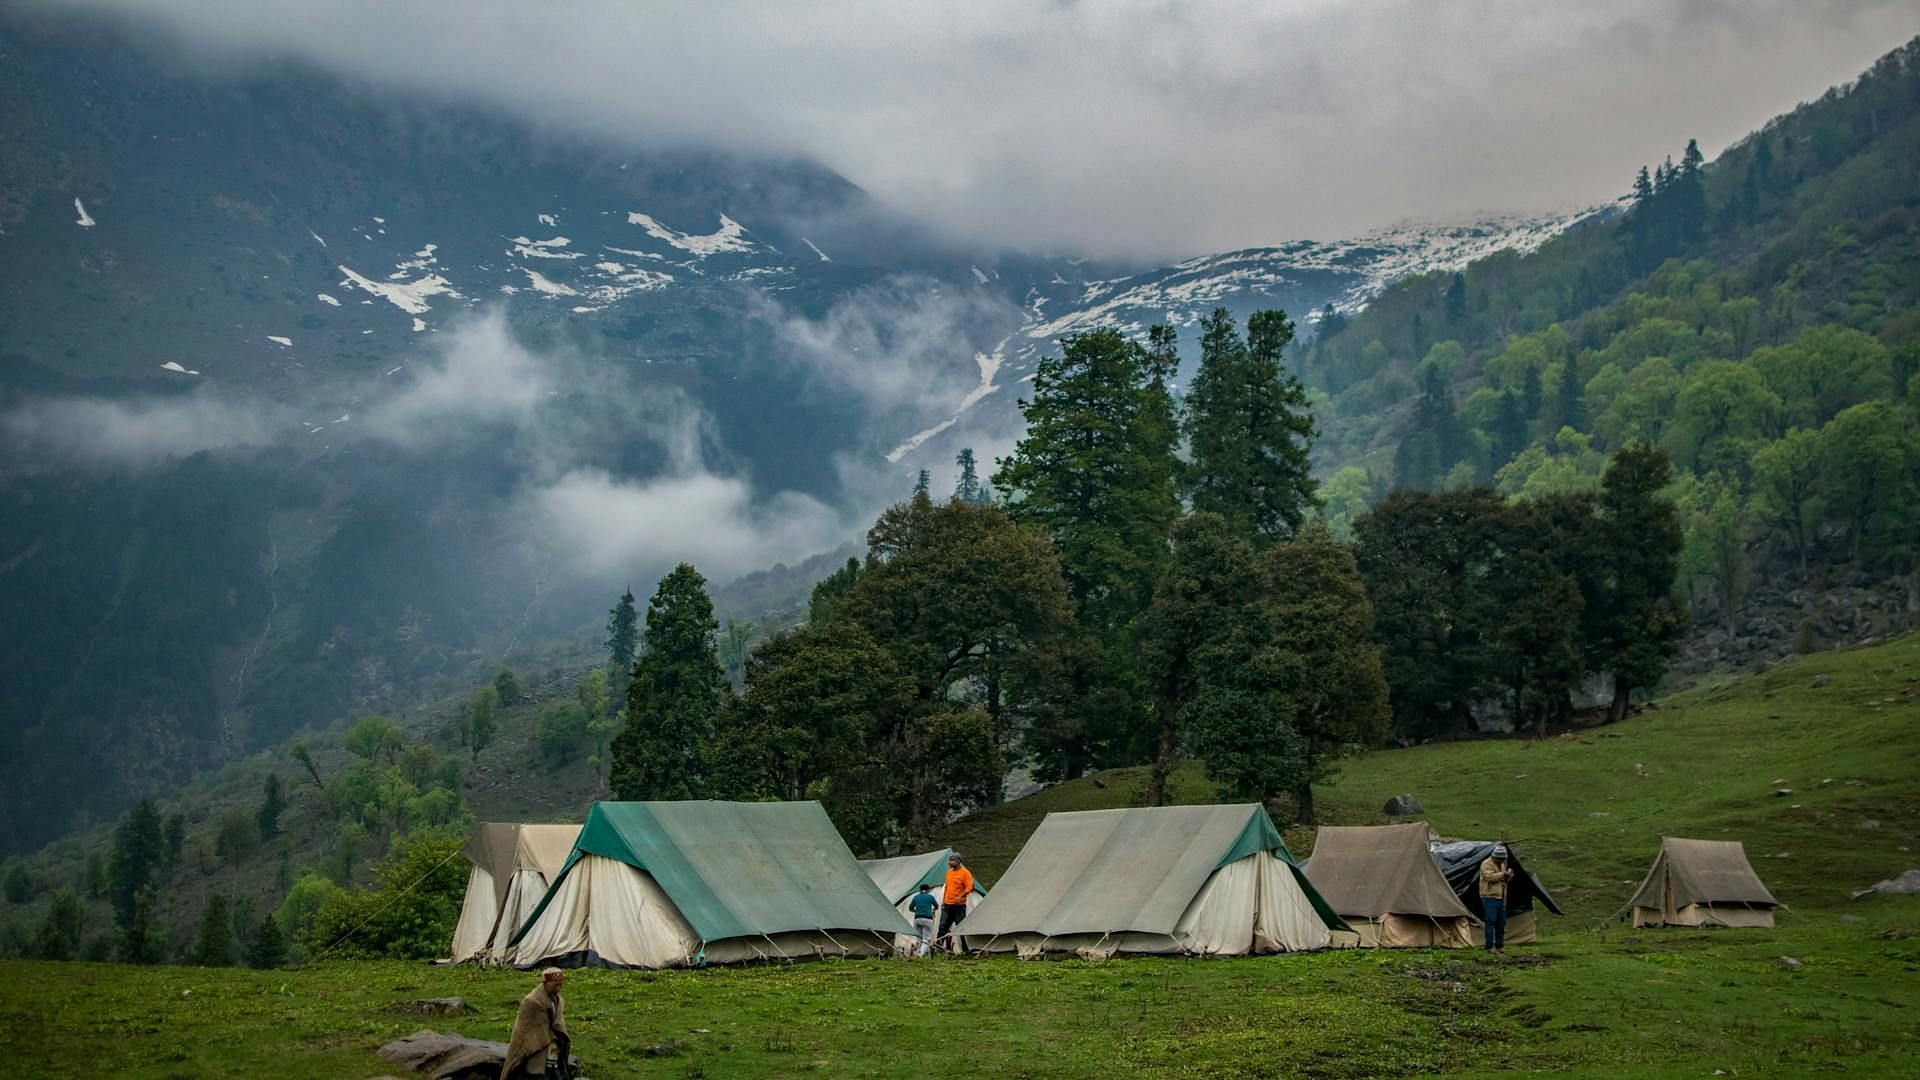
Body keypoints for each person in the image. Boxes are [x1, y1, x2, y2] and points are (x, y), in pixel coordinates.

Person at [503, 967, 572, 1079]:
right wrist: (549, 1038)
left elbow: (558, 1025)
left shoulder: (558, 1001)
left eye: (560, 985)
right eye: (555, 985)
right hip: (537, 1055)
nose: (558, 989)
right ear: (546, 983)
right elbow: (526, 1031)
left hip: (554, 1054)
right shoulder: (532, 1002)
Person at [1479, 844, 1515, 955]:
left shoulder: (1502, 864)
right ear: (1495, 857)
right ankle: (1489, 946)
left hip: (1501, 896)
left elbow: (1502, 880)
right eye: (1500, 858)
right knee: (1491, 921)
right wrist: (1503, 873)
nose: (1501, 860)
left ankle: (1500, 945)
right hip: (1489, 896)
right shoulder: (1486, 864)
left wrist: (1508, 876)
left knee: (1501, 922)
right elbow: (1490, 877)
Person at [936, 851, 974, 953]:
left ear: (958, 861)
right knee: (942, 926)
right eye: (949, 860)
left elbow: (970, 887)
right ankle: (938, 946)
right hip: (948, 905)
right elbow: (947, 888)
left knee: (961, 927)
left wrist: (960, 896)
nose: (949, 862)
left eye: (952, 860)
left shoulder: (965, 873)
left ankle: (965, 948)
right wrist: (944, 901)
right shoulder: (949, 873)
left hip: (959, 906)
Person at [906, 882, 938, 957]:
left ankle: (916, 953)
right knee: (926, 939)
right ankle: (920, 955)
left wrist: (916, 911)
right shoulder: (930, 897)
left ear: (920, 890)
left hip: (917, 919)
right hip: (927, 919)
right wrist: (933, 910)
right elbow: (936, 906)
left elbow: (910, 908)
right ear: (928, 890)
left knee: (919, 939)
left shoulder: (916, 897)